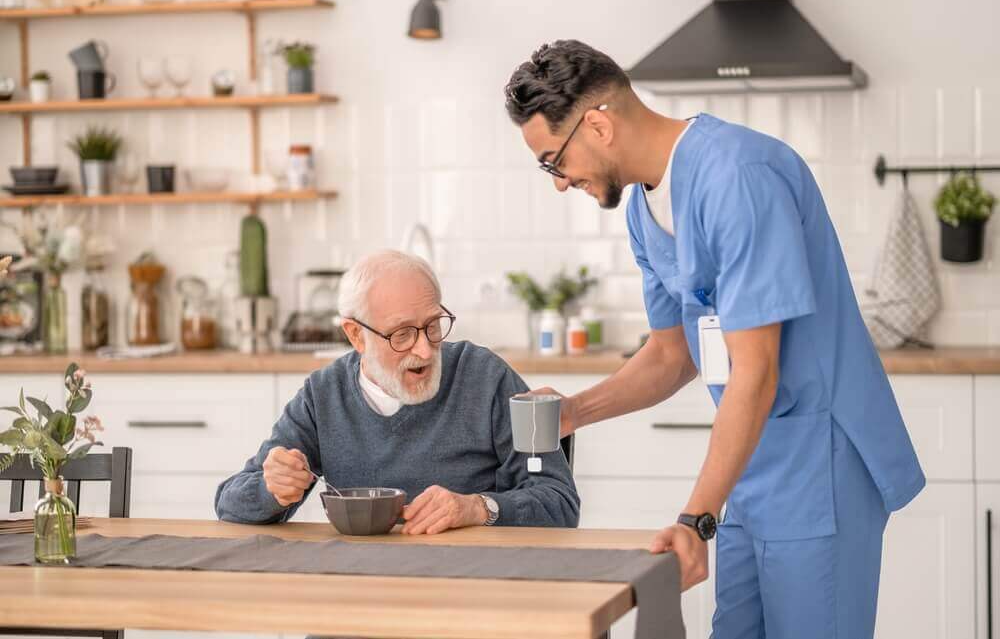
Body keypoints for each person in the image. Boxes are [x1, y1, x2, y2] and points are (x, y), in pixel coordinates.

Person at [503, 40, 924, 638]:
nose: (559, 182)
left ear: (597, 125)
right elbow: (671, 354)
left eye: (554, 162)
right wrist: (572, 412)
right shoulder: (643, 209)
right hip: (749, 465)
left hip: (818, 463)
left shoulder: (738, 176)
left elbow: (756, 369)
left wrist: (696, 517)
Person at [216, 250, 579, 533]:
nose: (425, 350)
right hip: (360, 588)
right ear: (356, 335)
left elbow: (559, 502)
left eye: (433, 326)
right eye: (402, 334)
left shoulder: (485, 377)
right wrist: (271, 490)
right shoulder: (323, 395)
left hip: (469, 588)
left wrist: (479, 508)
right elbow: (229, 502)